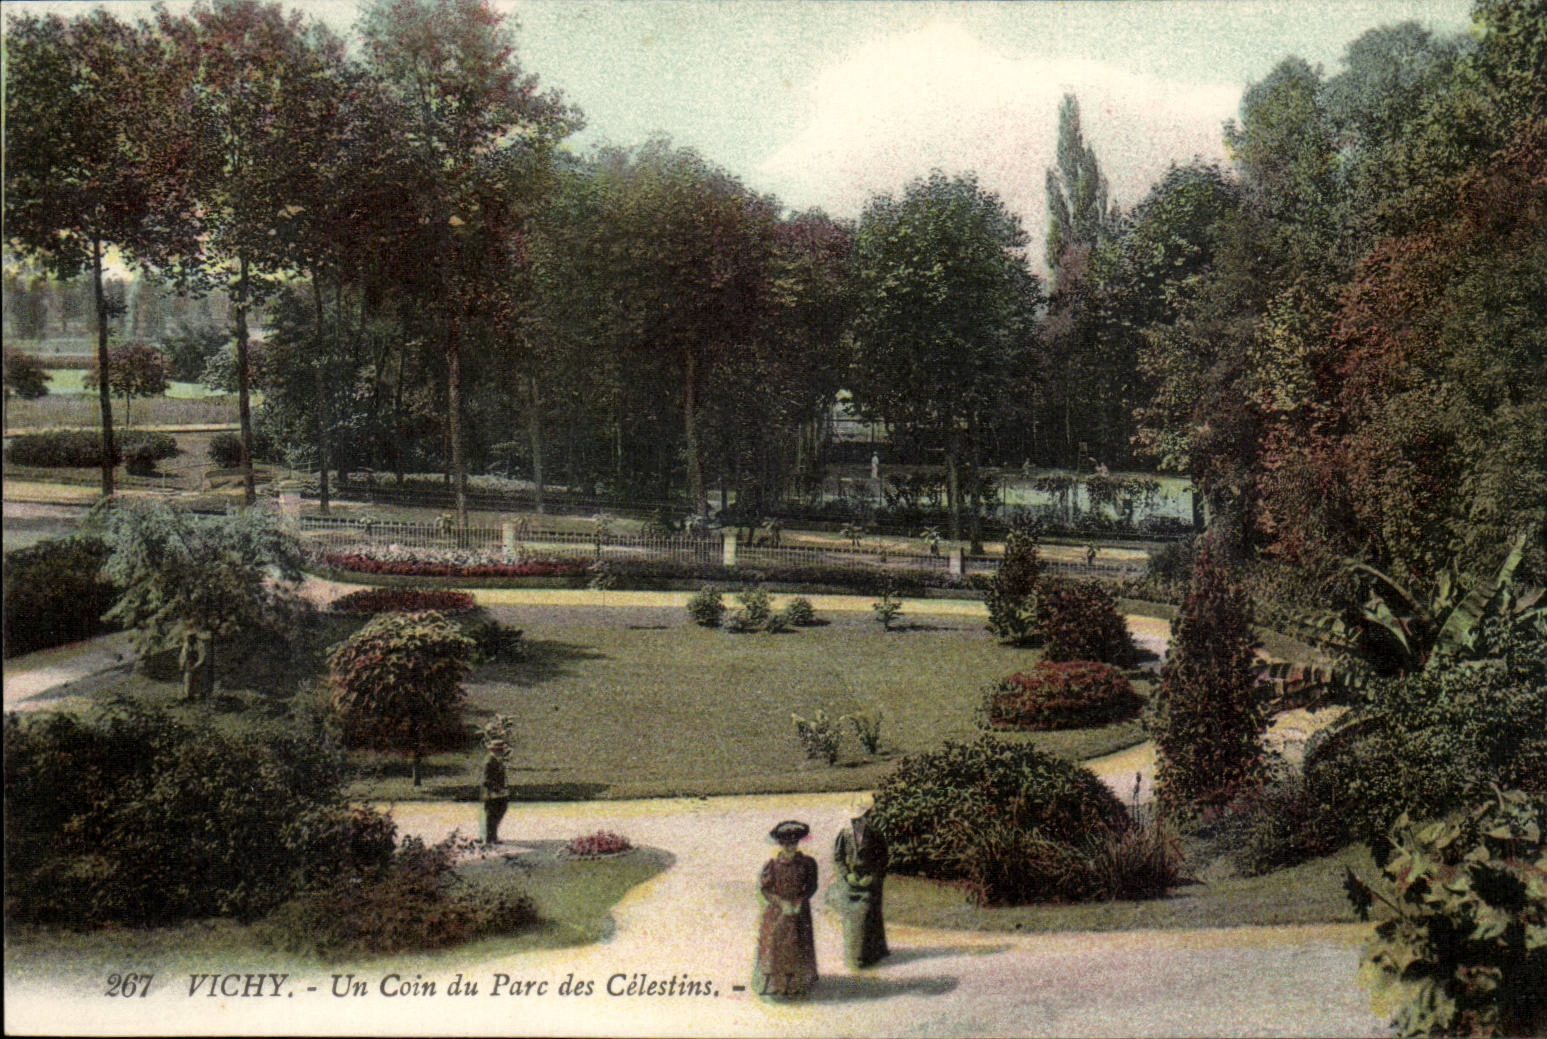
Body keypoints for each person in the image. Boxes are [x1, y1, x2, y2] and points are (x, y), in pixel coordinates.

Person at [753, 820, 819, 998]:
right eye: (786, 843)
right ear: (780, 844)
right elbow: (766, 889)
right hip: (778, 912)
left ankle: (798, 982)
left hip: (799, 912)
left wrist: (800, 900)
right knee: (777, 944)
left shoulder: (807, 863)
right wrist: (781, 903)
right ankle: (777, 984)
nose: (790, 847)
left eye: (794, 843)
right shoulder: (773, 865)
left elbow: (812, 886)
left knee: (798, 944)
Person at [832, 804, 890, 968]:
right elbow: (838, 858)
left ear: (866, 818)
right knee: (852, 919)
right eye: (853, 821)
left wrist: (872, 876)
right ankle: (854, 955)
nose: (856, 824)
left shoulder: (876, 836)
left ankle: (870, 955)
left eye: (859, 820)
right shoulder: (844, 835)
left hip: (870, 881)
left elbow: (883, 858)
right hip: (851, 883)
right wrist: (847, 874)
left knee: (869, 916)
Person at [479, 741, 509, 844]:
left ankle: (493, 837)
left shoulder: (497, 760)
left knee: (498, 813)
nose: (502, 752)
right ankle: (489, 838)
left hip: (498, 793)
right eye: (500, 750)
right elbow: (486, 780)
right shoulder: (489, 762)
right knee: (492, 815)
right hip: (491, 794)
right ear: (494, 750)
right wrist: (497, 789)